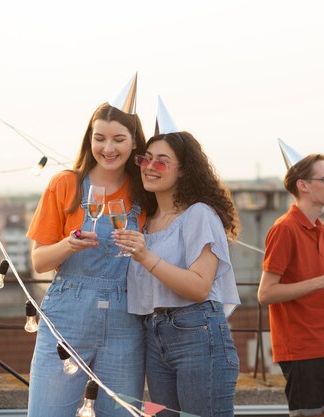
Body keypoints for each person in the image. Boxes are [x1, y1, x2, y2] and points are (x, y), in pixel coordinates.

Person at [26, 75, 149, 417]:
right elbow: (38, 261)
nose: (108, 148)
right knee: (47, 411)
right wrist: (69, 244)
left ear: (134, 143)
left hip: (127, 320)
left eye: (119, 139)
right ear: (89, 139)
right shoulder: (65, 184)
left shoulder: (146, 193)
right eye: (100, 138)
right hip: (67, 315)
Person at [113, 102, 241, 417]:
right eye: (146, 159)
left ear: (183, 169)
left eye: (163, 161)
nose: (150, 166)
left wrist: (144, 256)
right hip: (154, 336)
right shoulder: (144, 220)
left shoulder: (198, 214)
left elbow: (199, 287)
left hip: (197, 332)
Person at [258, 140, 324, 417]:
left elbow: (313, 289)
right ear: (304, 186)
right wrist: (323, 281)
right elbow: (265, 294)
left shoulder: (319, 228)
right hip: (300, 346)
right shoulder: (284, 229)